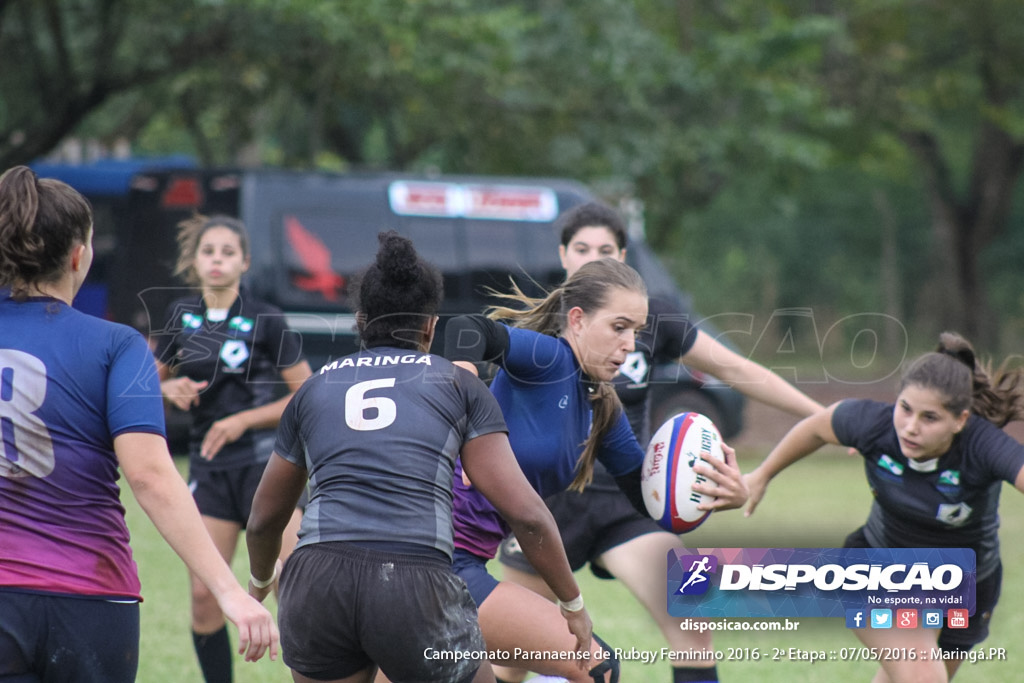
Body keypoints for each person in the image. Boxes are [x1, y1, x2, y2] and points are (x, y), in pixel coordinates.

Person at [493, 202, 823, 683]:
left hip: (629, 503)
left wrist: (823, 418)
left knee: (693, 616)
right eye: (581, 248)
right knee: (511, 661)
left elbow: (734, 368)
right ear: (564, 255)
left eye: (605, 249)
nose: (592, 257)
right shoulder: (546, 333)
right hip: (547, 509)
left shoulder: (651, 319)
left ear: (623, 254)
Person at [246, 231, 592, 683]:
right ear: (430, 326)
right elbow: (527, 516)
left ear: (359, 320)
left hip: (317, 580)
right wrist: (572, 605)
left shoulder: (314, 388)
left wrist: (257, 586)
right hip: (413, 581)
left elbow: (263, 519)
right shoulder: (458, 384)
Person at [0, 165, 278, 682]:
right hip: (88, 595)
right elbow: (149, 475)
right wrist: (230, 592)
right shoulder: (116, 344)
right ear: (79, 255)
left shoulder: (259, 318)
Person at [441, 257, 750, 683]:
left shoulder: (601, 407)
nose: (629, 344)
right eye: (619, 327)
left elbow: (651, 503)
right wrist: (463, 416)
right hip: (433, 556)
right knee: (595, 666)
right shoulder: (551, 358)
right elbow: (466, 330)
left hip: (463, 561)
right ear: (578, 320)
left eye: (636, 332)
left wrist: (716, 494)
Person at [744, 332, 1024, 683]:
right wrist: (761, 475)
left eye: (929, 418)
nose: (910, 427)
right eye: (905, 409)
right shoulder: (872, 423)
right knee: (923, 678)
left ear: (960, 420)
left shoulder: (982, 445)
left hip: (967, 584)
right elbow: (816, 428)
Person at [152, 214, 312, 683]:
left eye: (227, 252)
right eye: (208, 251)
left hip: (270, 467)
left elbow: (304, 392)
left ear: (244, 261)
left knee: (296, 587)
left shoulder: (267, 318)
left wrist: (244, 419)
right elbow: (142, 380)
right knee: (205, 596)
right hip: (211, 468)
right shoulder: (178, 316)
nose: (217, 260)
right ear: (195, 261)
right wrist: (168, 388)